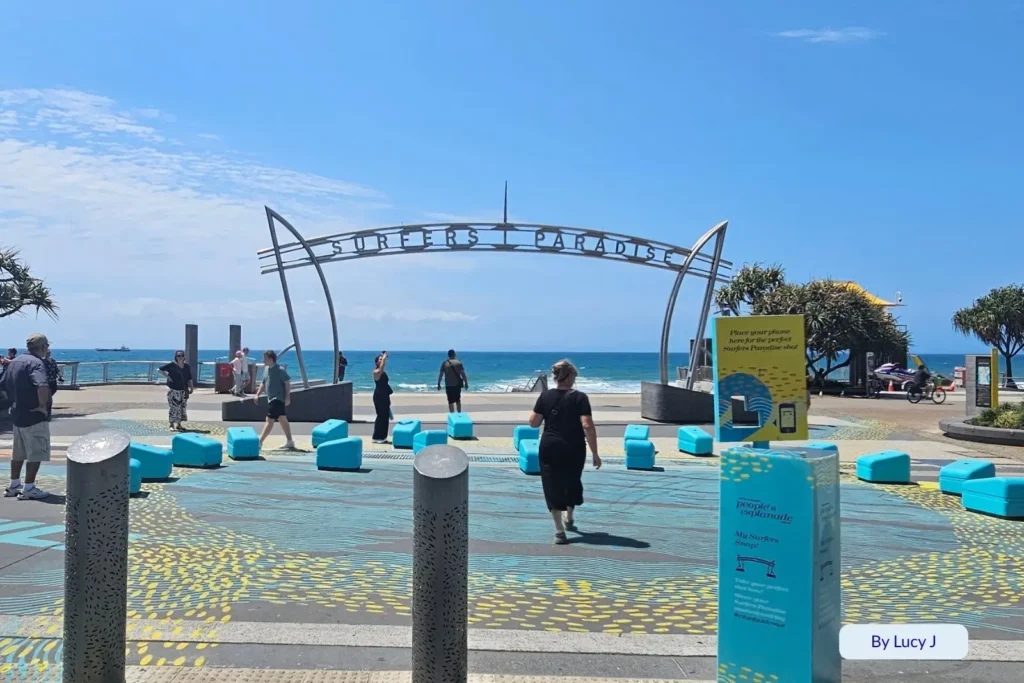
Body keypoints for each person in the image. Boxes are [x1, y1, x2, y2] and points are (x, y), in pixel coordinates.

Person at [528, 359, 601, 545]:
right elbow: (587, 425)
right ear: (569, 376)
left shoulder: (545, 397)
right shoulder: (580, 397)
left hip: (550, 446)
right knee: (572, 480)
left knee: (551, 484)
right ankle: (569, 517)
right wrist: (595, 453)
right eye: (575, 375)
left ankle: (559, 531)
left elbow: (533, 423)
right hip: (573, 446)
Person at [4, 334, 53, 500]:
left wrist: (12, 402)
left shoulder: (16, 362)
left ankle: (14, 484)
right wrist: (42, 406)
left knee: (18, 452)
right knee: (36, 452)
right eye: (46, 346)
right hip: (34, 416)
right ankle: (29, 487)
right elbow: (42, 385)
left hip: (18, 414)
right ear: (43, 347)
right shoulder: (36, 363)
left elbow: (3, 384)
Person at [253, 350, 295, 449]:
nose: (263, 361)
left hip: (278, 398)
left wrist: (287, 397)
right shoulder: (266, 369)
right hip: (270, 398)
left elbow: (287, 382)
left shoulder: (280, 369)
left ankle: (260, 442)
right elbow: (263, 383)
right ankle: (290, 441)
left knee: (269, 420)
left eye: (265, 359)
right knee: (282, 419)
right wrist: (257, 394)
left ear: (271, 359)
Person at [159, 350, 194, 431]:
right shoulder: (172, 365)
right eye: (178, 356)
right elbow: (159, 369)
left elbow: (189, 378)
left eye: (181, 355)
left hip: (183, 390)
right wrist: (168, 377)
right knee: (173, 408)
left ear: (184, 357)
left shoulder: (186, 367)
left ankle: (179, 425)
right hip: (173, 389)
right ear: (176, 357)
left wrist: (191, 388)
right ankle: (171, 424)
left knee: (182, 408)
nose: (180, 357)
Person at [372, 351, 393, 444]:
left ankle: (383, 437)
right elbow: (381, 368)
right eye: (380, 360)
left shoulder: (382, 372)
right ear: (376, 362)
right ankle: (377, 436)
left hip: (385, 396)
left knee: (385, 417)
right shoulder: (376, 372)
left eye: (382, 359)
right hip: (379, 396)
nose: (382, 360)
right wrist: (384, 357)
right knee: (381, 416)